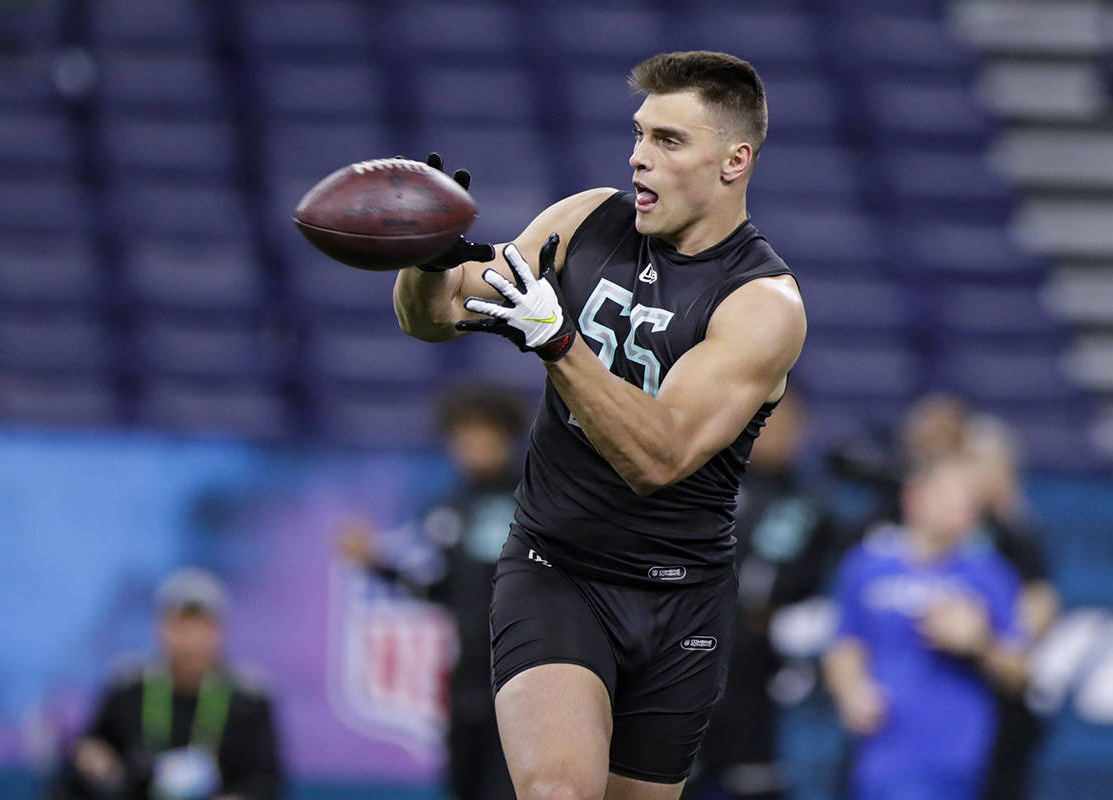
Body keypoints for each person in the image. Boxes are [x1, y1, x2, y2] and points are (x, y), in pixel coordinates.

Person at [393, 51, 806, 800]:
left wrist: (558, 342)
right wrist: (426, 257)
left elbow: (659, 455)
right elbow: (439, 315)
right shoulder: (585, 221)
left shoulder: (763, 304)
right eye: (640, 134)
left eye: (670, 141)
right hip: (559, 571)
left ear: (734, 160)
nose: (639, 157)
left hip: (684, 598)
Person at [336, 384, 526, 800]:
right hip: (467, 680)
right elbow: (442, 591)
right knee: (464, 784)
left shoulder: (532, 500)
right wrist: (376, 565)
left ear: (505, 437)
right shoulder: (448, 508)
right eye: (463, 435)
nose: (472, 444)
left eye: (483, 432)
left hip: (522, 672)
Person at [823, 455, 1028, 800]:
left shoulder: (989, 575)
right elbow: (845, 644)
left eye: (968, 505)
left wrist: (980, 643)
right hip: (876, 754)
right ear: (914, 496)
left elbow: (1020, 674)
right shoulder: (866, 566)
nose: (960, 513)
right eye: (948, 500)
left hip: (950, 757)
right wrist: (850, 692)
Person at [688, 387, 835, 800]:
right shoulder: (708, 485)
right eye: (768, 422)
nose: (776, 434)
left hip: (761, 678)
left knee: (755, 785)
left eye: (788, 424)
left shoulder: (812, 505)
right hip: (691, 663)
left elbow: (821, 590)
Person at [53, 568, 282, 800]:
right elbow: (91, 750)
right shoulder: (128, 687)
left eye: (202, 626)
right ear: (160, 627)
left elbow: (266, 779)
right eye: (181, 626)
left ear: (220, 630)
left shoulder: (249, 698)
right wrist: (92, 758)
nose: (191, 640)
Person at [963, 415, 1059, 800]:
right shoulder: (940, 535)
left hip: (999, 702)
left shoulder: (1018, 538)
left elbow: (1037, 615)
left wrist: (981, 636)